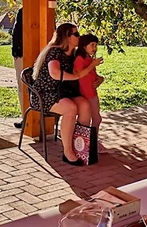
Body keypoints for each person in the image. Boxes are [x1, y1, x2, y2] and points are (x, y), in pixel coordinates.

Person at [31, 23, 102, 166]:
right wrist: (75, 76)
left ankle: (80, 145)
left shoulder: (75, 55)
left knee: (85, 106)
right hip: (47, 94)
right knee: (70, 108)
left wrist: (100, 79)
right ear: (67, 37)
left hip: (66, 93)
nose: (79, 37)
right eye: (76, 34)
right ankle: (68, 151)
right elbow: (54, 73)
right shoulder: (55, 52)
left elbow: (87, 73)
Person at [74, 34, 105, 130]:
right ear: (84, 46)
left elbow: (92, 74)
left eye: (96, 45)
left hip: (92, 91)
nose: (95, 48)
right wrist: (93, 64)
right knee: (95, 118)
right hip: (87, 93)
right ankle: (89, 138)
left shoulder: (88, 59)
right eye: (92, 45)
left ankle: (90, 137)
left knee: (96, 118)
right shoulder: (80, 59)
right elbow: (79, 74)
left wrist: (100, 79)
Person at [12, 7, 24, 129]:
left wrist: (16, 53)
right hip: (22, 54)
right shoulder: (23, 12)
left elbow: (16, 33)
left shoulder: (23, 12)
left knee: (23, 87)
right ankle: (26, 117)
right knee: (23, 88)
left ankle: (26, 118)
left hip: (22, 55)